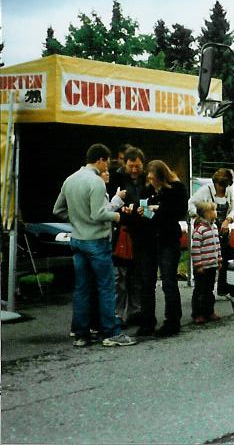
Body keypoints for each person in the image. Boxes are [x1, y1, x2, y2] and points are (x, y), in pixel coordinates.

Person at [53, 144, 137, 347]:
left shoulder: (70, 179)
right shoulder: (97, 182)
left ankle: (81, 334)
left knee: (82, 289)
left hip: (78, 239)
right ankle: (111, 332)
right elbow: (99, 214)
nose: (107, 166)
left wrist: (76, 219)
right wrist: (119, 216)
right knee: (106, 287)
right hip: (97, 241)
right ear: (100, 160)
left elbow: (58, 209)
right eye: (107, 161)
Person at [138, 159, 188, 338]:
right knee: (147, 282)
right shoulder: (148, 190)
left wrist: (155, 210)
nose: (152, 182)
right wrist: (153, 211)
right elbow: (144, 212)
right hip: (150, 240)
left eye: (154, 178)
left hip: (168, 239)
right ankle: (147, 322)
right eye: (149, 178)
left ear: (161, 176)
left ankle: (172, 321)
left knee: (168, 280)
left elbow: (175, 213)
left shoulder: (176, 189)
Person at [108, 146, 149, 327]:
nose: (134, 170)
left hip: (141, 232)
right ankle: (117, 314)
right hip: (121, 232)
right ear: (124, 164)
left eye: (137, 166)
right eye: (131, 166)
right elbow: (108, 203)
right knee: (120, 278)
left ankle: (135, 311)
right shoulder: (115, 179)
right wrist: (121, 208)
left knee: (136, 277)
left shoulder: (147, 180)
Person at [188, 168, 234, 295]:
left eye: (225, 186)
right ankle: (202, 292)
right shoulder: (205, 190)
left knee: (226, 258)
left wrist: (228, 220)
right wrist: (199, 217)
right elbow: (191, 203)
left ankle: (222, 288)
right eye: (221, 185)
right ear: (215, 183)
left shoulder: (229, 192)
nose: (223, 189)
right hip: (207, 230)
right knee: (208, 262)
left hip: (222, 230)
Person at [190, 201, 222, 324]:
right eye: (213, 210)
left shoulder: (214, 227)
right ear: (206, 214)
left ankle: (209, 311)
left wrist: (219, 259)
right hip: (202, 266)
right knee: (200, 290)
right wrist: (198, 265)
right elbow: (196, 249)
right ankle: (197, 313)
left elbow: (217, 245)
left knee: (209, 290)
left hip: (212, 265)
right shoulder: (200, 230)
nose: (216, 213)